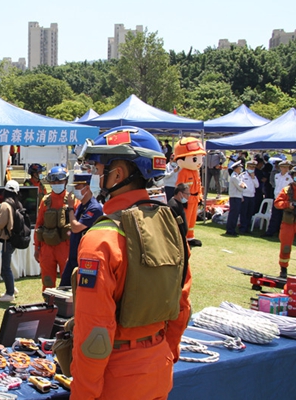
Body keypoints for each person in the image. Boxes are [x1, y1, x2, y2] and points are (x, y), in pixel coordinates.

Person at [71, 127, 191, 399]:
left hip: (116, 376)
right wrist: (166, 352)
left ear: (118, 174)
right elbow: (182, 305)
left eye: (99, 169)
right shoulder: (171, 227)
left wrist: (83, 394)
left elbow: (95, 330)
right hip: (158, 366)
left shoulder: (101, 239)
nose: (95, 176)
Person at [59, 172, 102, 287]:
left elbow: (76, 228)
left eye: (78, 187)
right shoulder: (81, 206)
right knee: (64, 288)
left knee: (80, 290)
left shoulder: (94, 208)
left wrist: (70, 208)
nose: (75, 190)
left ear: (87, 188)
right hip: (74, 257)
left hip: (85, 259)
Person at [34, 166, 72, 290]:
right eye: (54, 182)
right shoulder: (45, 201)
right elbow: (39, 224)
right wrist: (36, 247)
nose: (56, 184)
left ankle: (67, 302)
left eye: (59, 181)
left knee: (67, 282)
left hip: (65, 246)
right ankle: (48, 301)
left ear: (66, 181)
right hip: (47, 247)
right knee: (47, 281)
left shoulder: (72, 200)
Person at [0, 180, 23, 301]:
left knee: (5, 268)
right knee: (5, 266)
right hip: (13, 239)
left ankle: (10, 293)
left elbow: (0, 224)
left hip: (6, 240)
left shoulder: (5, 205)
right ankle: (11, 288)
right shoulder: (17, 203)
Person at [276, 167, 296, 279]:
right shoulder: (287, 190)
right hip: (289, 221)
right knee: (286, 246)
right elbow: (277, 203)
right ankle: (283, 269)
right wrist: (288, 204)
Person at [265, 160, 292, 236]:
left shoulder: (289, 177)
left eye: (287, 167)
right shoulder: (277, 176)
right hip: (277, 197)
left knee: (283, 216)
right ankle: (271, 232)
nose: (286, 169)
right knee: (274, 215)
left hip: (285, 198)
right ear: (280, 168)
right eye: (284, 167)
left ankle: (281, 232)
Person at [225, 161, 246, 236]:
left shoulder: (237, 176)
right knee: (233, 214)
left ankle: (232, 229)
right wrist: (243, 186)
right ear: (236, 168)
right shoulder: (234, 177)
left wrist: (243, 186)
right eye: (239, 168)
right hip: (234, 197)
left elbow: (242, 185)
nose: (241, 169)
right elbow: (240, 188)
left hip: (237, 196)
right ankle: (230, 229)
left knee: (235, 214)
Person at [239, 160, 259, 234]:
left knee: (249, 213)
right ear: (247, 167)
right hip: (245, 196)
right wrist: (241, 196)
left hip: (252, 196)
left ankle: (247, 227)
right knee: (243, 213)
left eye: (253, 167)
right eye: (250, 167)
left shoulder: (254, 176)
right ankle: (242, 228)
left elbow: (257, 185)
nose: (252, 169)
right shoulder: (243, 175)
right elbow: (240, 186)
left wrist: (253, 178)